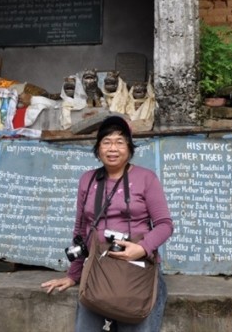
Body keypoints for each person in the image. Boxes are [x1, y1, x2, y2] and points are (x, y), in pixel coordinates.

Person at [41, 115, 174, 331]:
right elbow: (80, 231)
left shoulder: (146, 178)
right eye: (107, 142)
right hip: (98, 269)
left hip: (136, 269)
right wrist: (73, 275)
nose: (113, 148)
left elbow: (165, 225)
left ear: (130, 148)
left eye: (120, 142)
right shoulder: (88, 179)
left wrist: (142, 248)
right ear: (98, 148)